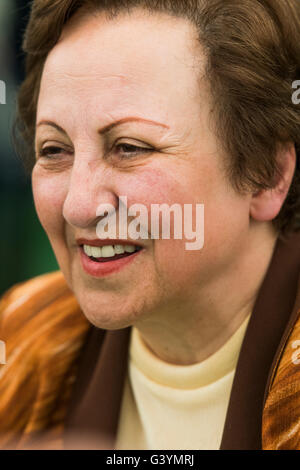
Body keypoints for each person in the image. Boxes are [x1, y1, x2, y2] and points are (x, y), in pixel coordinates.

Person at [0, 0, 300, 450]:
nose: (79, 206)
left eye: (129, 147)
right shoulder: (21, 337)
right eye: (54, 150)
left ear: (265, 174)